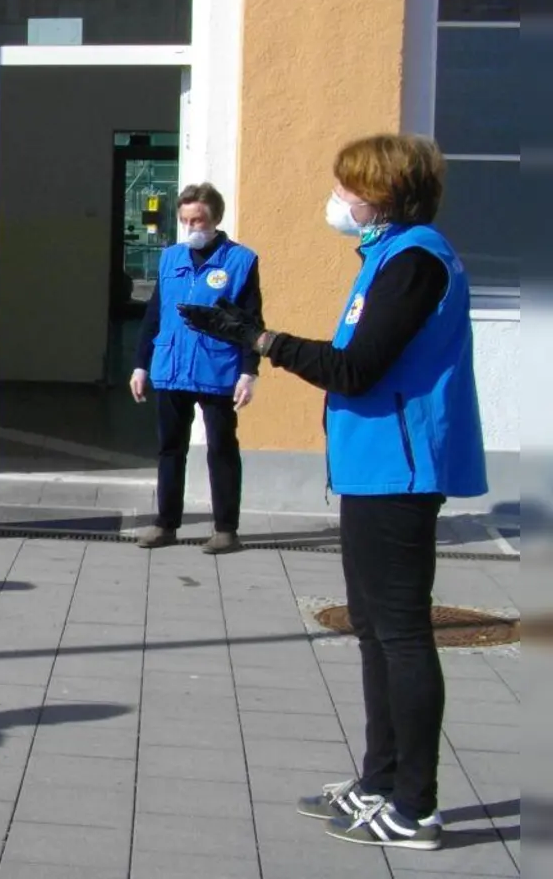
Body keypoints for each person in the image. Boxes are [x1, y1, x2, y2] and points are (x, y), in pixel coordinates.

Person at [180, 133, 486, 851]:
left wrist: (259, 340)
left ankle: (415, 806)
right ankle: (379, 782)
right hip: (373, 466)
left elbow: (355, 370)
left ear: (381, 195)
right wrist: (253, 335)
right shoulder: (388, 256)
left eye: (349, 187)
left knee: (402, 634)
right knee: (375, 631)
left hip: (399, 471)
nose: (338, 199)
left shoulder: (414, 262)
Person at [130, 182, 263, 555]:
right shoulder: (171, 258)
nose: (193, 227)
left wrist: (249, 372)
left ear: (216, 218)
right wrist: (140, 365)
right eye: (186, 220)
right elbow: (154, 315)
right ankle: (165, 524)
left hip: (216, 369)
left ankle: (225, 529)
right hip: (171, 367)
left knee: (221, 448)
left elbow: (252, 322)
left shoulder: (241, 261)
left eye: (199, 220)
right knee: (170, 448)